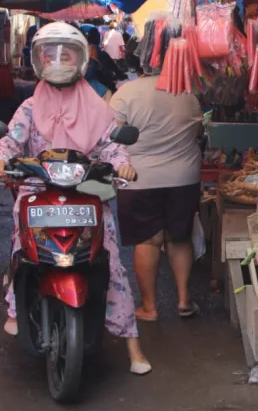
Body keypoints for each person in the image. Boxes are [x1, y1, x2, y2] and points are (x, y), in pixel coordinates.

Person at [0, 22, 151, 375]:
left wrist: (123, 164)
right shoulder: (29, 107)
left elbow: (111, 144)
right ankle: (16, 307)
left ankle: (133, 345)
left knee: (110, 261)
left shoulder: (96, 106)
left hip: (85, 193)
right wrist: (3, 158)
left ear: (80, 59)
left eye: (65, 54)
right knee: (21, 245)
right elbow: (11, 141)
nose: (57, 60)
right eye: (50, 54)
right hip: (37, 191)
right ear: (38, 60)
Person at [110, 69, 203, 322]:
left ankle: (149, 308)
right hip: (183, 176)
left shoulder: (126, 93)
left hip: (139, 178)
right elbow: (197, 132)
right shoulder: (187, 93)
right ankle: (184, 300)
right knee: (180, 237)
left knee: (148, 241)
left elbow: (112, 137)